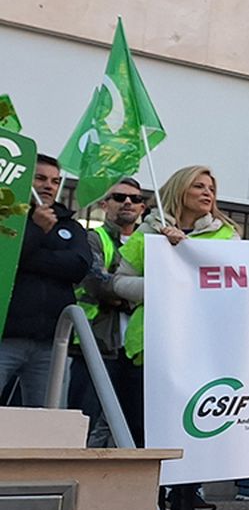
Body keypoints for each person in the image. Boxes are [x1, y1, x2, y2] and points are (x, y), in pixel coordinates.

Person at [113, 166, 239, 510]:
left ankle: (185, 498)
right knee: (143, 429)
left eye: (211, 187)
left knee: (191, 425)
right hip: (146, 347)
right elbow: (119, 283)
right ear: (179, 189)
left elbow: (233, 288)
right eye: (198, 185)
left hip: (197, 348)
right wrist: (161, 282)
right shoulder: (145, 234)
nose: (207, 193)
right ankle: (150, 502)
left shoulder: (227, 237)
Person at [0, 155, 91, 407]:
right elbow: (6, 259)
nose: (49, 186)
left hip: (51, 343)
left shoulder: (71, 226)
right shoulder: (6, 220)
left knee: (46, 421)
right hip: (5, 336)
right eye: (40, 178)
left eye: (55, 181)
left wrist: (29, 259)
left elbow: (79, 266)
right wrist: (36, 230)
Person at [71, 177, 146, 448]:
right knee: (85, 424)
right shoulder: (93, 237)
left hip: (136, 352)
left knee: (130, 428)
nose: (128, 202)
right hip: (98, 344)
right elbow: (97, 283)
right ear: (104, 204)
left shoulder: (150, 241)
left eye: (135, 199)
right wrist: (136, 297)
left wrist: (122, 289)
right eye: (119, 197)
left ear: (143, 208)